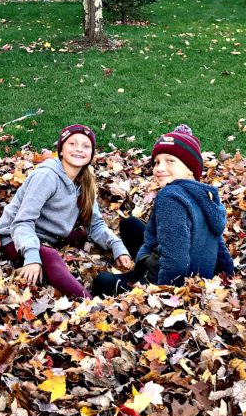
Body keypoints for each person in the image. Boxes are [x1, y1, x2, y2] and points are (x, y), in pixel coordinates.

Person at [0, 124, 135, 299]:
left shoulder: (84, 181)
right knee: (50, 256)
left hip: (48, 235)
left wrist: (117, 246)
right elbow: (22, 222)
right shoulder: (47, 177)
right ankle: (88, 303)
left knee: (81, 236)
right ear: (61, 150)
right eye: (72, 144)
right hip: (14, 236)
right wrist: (32, 256)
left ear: (91, 154)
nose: (79, 150)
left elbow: (95, 224)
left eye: (85, 146)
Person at [91, 125, 234, 297]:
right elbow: (218, 246)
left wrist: (161, 297)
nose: (159, 168)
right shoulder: (205, 195)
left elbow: (176, 261)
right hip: (198, 277)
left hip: (171, 283)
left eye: (170, 161)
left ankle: (137, 275)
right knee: (130, 225)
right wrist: (228, 278)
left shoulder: (170, 197)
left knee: (101, 281)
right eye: (157, 162)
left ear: (190, 168)